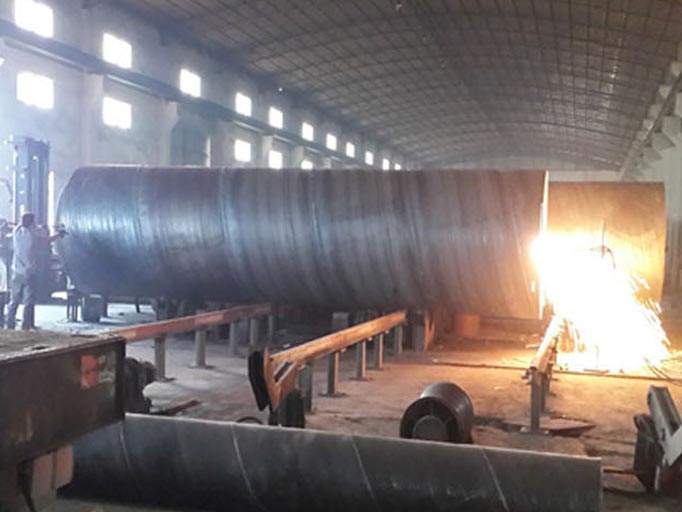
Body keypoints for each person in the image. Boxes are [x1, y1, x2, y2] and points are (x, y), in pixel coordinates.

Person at [6, 213, 66, 330]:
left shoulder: (16, 232)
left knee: (14, 300)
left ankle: (10, 324)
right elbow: (46, 240)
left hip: (16, 271)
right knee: (28, 300)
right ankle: (26, 325)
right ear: (31, 223)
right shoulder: (32, 236)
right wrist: (59, 234)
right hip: (29, 272)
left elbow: (20, 226)